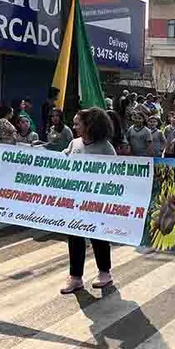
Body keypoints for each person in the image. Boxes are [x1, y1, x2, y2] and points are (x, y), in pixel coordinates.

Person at [61, 108, 118, 294]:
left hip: (97, 202)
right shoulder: (74, 143)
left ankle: (104, 273)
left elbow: (115, 174)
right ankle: (75, 277)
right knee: (74, 237)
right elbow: (61, 160)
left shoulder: (105, 147)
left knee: (98, 236)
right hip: (75, 200)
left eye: (78, 123)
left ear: (90, 125)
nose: (74, 126)